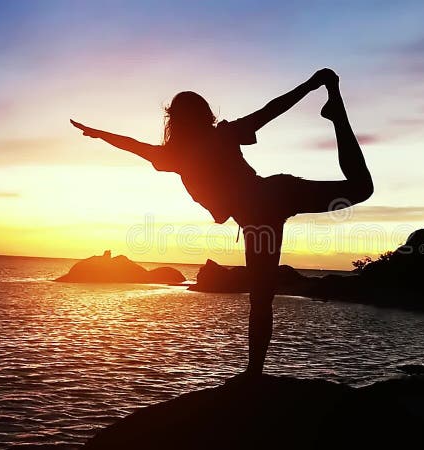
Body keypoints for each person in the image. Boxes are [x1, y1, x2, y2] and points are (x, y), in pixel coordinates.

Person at [71, 68, 373, 378]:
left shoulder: (179, 153)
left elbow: (134, 145)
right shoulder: (211, 140)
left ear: (172, 121)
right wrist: (310, 86)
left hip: (268, 203)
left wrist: (100, 134)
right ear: (203, 115)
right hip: (268, 207)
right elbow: (270, 110)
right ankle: (253, 373)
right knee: (359, 190)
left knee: (261, 296)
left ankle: (253, 373)